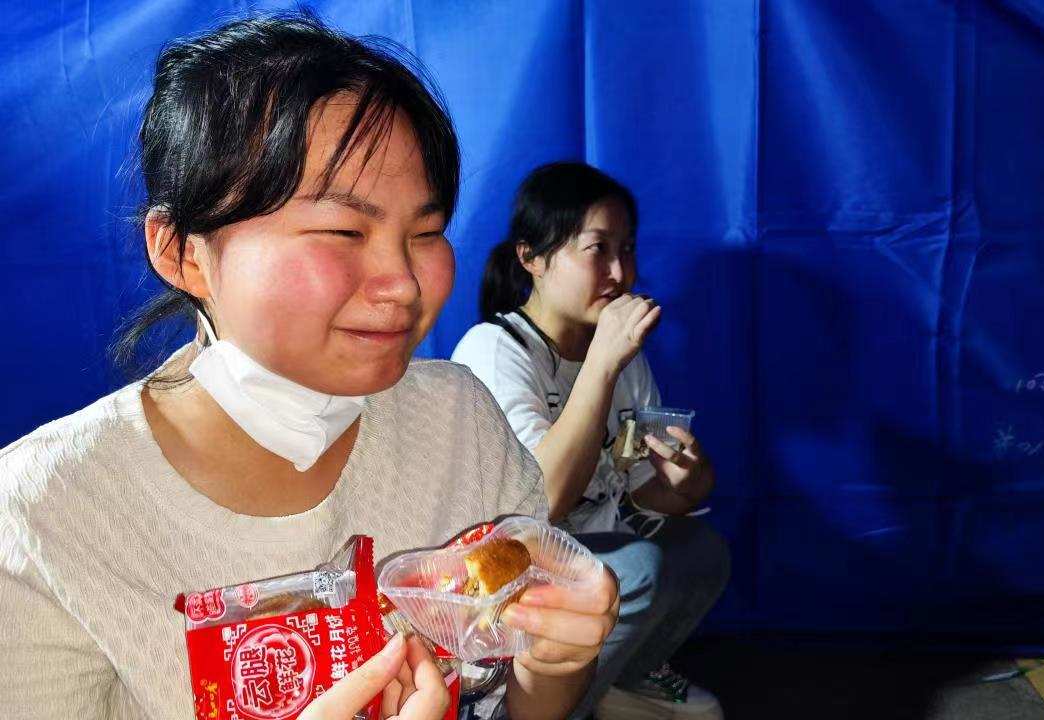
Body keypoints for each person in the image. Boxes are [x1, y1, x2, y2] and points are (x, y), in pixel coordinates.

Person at [0, 14, 616, 720]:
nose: (404, 284)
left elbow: (524, 703)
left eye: (425, 232)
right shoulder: (43, 513)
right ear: (182, 253)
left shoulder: (459, 420)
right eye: (343, 230)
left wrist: (557, 660)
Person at [451, 162, 730, 719]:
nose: (619, 271)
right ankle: (536, 705)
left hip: (585, 550)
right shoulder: (495, 349)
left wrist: (688, 483)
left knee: (702, 553)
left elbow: (642, 494)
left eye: (627, 249)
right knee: (636, 568)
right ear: (531, 257)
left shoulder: (623, 357)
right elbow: (541, 503)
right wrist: (602, 361)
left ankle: (626, 678)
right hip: (502, 572)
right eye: (597, 249)